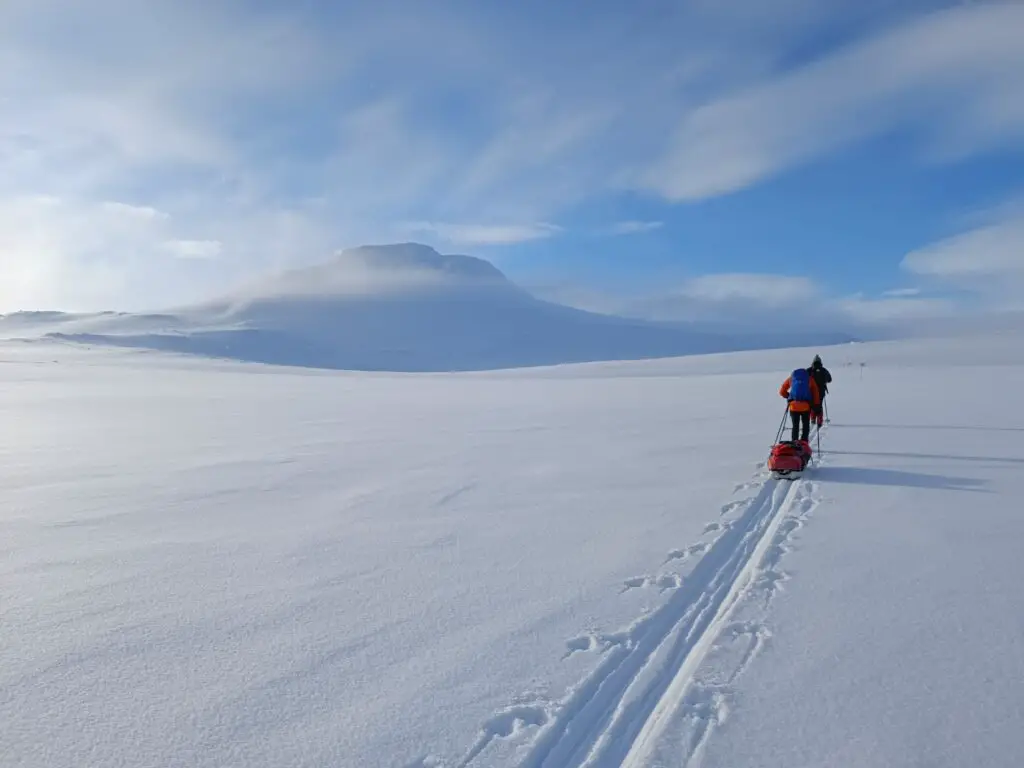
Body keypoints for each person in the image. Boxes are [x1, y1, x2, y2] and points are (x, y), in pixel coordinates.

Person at [779, 366, 820, 443]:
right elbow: (815, 392)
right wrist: (816, 405)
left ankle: (794, 442)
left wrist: (789, 397)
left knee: (795, 426)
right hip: (806, 406)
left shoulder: (791, 379)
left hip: (793, 406)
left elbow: (782, 391)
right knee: (805, 425)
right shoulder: (809, 379)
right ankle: (804, 442)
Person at [809, 354, 832, 426]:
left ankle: (812, 419)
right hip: (821, 391)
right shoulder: (824, 370)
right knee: (819, 405)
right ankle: (819, 420)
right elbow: (830, 379)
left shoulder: (809, 370)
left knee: (812, 405)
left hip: (811, 391)